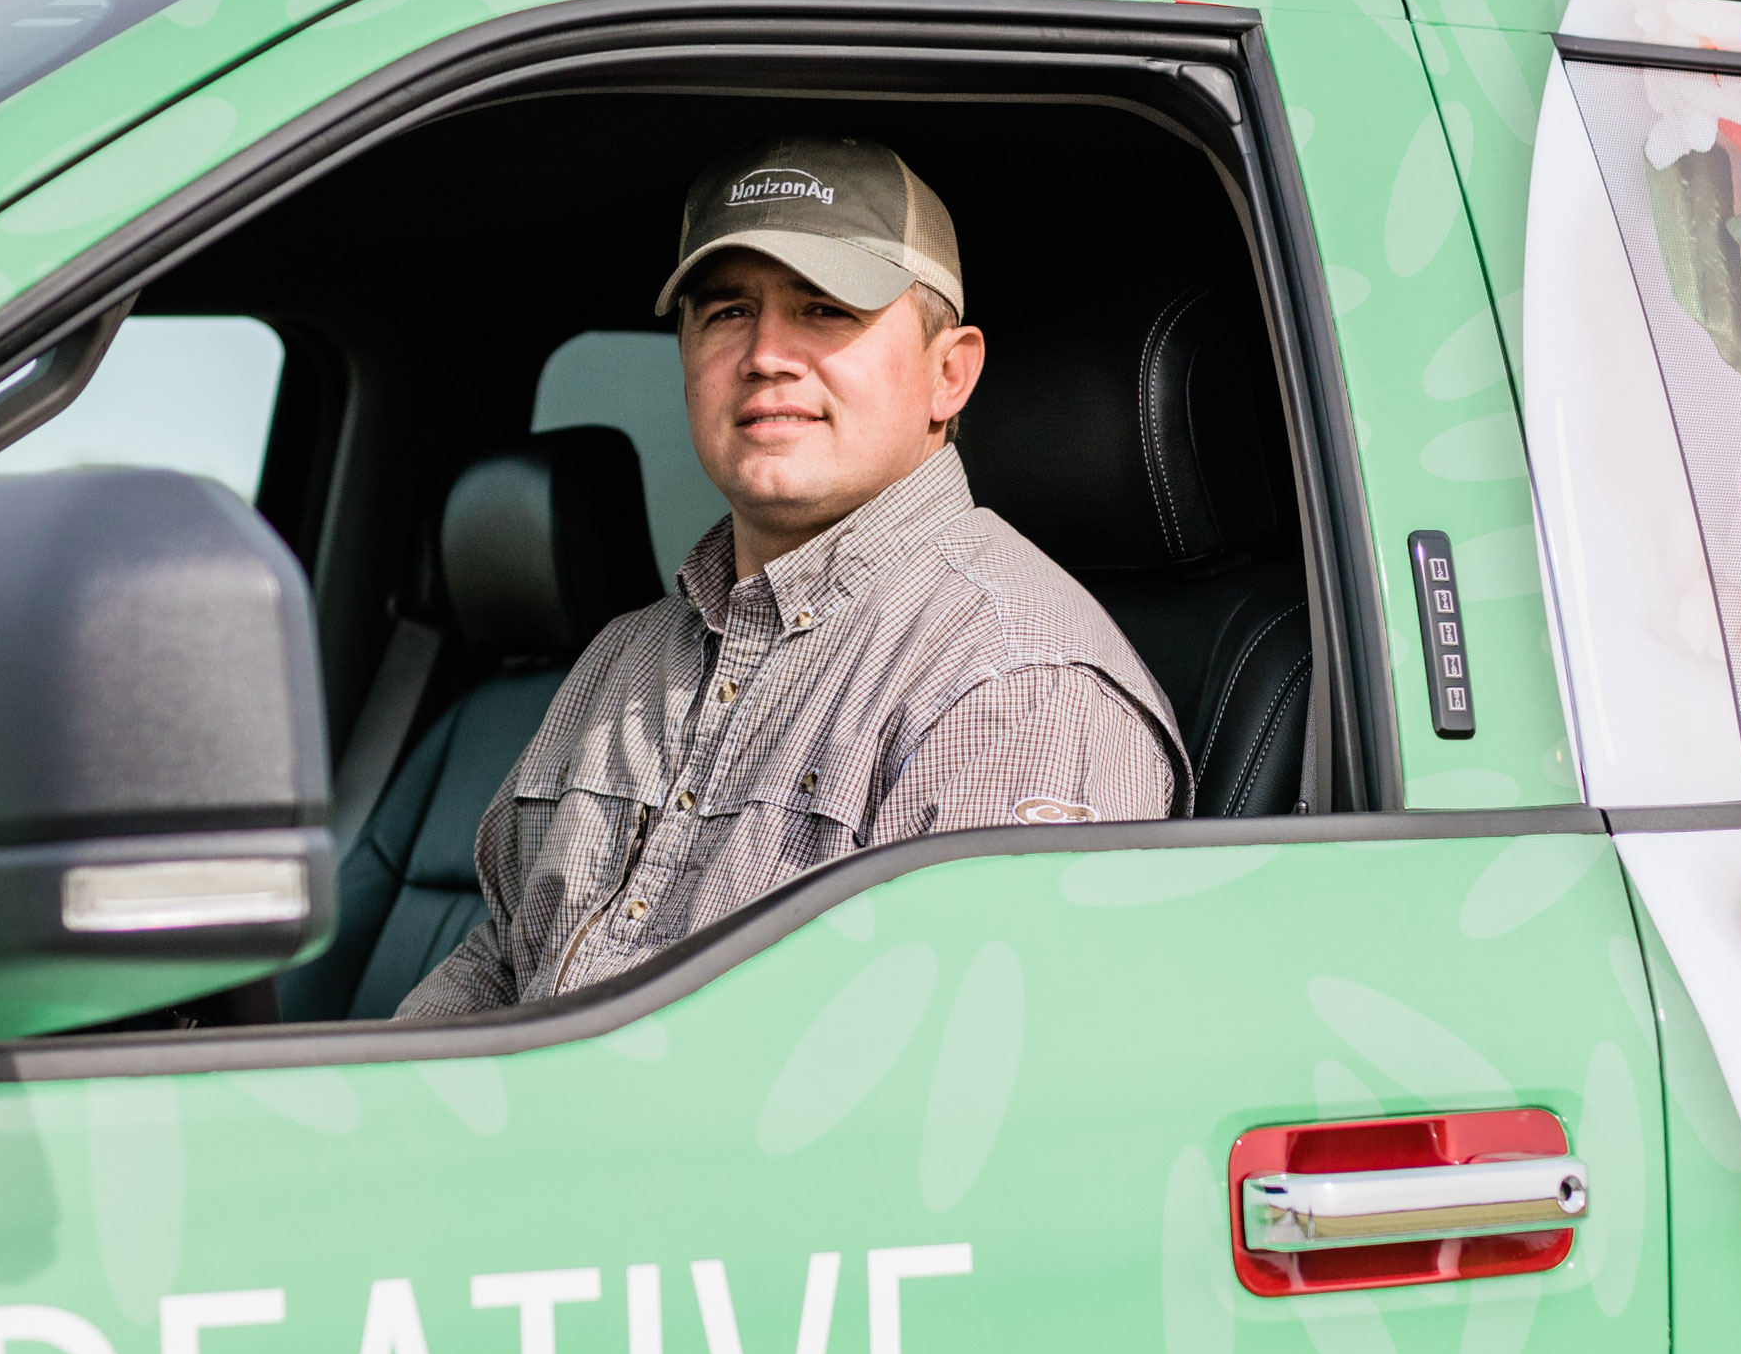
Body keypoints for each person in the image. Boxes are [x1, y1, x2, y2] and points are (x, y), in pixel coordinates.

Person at [398, 134, 1182, 1017]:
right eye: (728, 310)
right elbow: (501, 965)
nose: (767, 352)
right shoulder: (625, 660)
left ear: (949, 372)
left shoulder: (1012, 687)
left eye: (825, 309)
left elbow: (962, 1102)